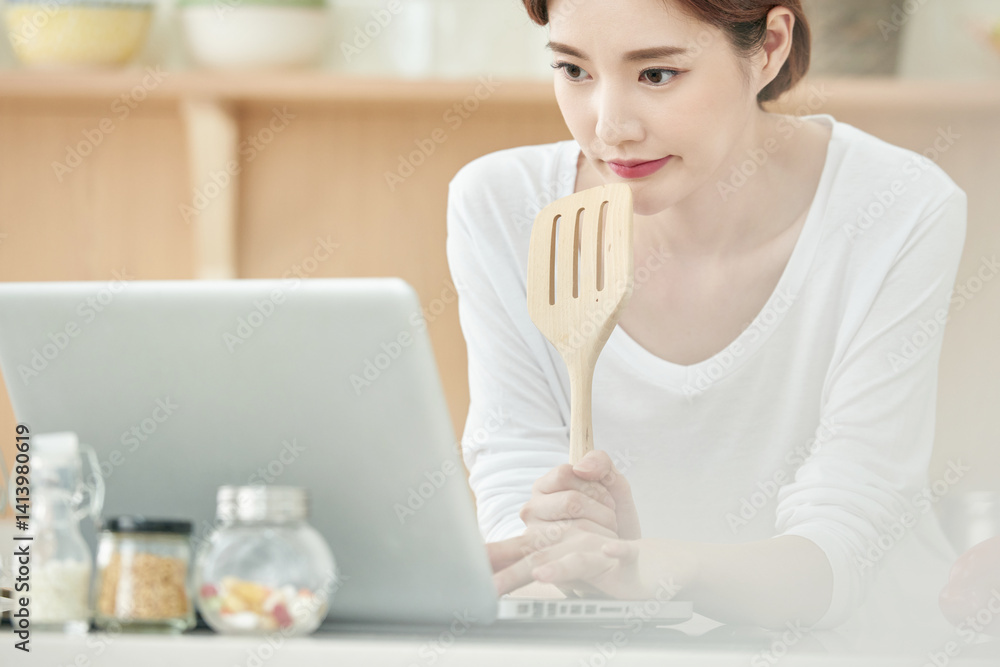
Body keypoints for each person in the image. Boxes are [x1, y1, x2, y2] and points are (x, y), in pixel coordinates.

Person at [445, 0, 968, 645]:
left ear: (770, 46)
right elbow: (514, 510)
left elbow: (845, 543)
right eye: (573, 70)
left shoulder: (898, 207)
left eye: (657, 74)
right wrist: (582, 564)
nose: (610, 128)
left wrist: (670, 569)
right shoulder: (503, 206)